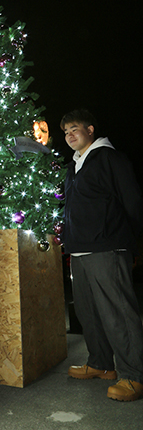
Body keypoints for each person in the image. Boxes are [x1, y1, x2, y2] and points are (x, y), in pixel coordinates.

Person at [61, 109, 143, 402]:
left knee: (118, 313)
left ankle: (134, 374)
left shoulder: (110, 159)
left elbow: (132, 201)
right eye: (66, 132)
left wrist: (130, 241)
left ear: (91, 130)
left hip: (107, 247)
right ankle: (100, 364)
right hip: (80, 250)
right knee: (89, 312)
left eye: (75, 129)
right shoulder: (74, 167)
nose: (70, 135)